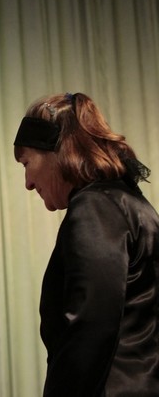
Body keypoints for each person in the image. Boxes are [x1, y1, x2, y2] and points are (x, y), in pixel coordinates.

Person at [13, 92, 159, 396]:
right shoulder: (126, 202)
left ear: (54, 153)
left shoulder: (95, 208)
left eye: (26, 163)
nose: (27, 182)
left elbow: (90, 330)